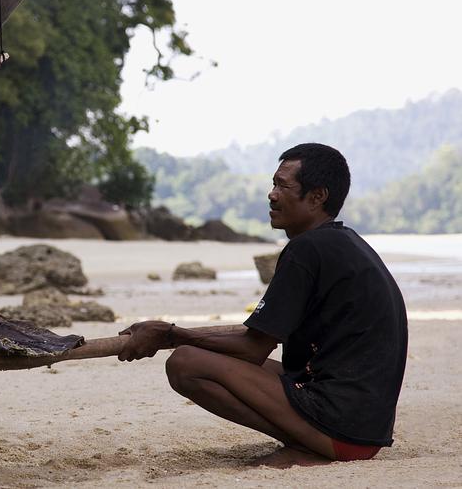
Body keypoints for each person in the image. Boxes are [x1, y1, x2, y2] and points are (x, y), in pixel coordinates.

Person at [118, 143, 408, 467]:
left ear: (317, 196)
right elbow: (260, 337)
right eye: (273, 184)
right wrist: (171, 333)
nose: (271, 195)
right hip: (365, 426)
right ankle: (309, 440)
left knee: (186, 363)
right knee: (202, 354)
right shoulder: (343, 242)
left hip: (343, 431)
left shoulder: (307, 250)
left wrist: (170, 335)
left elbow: (251, 349)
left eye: (283, 186)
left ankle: (307, 445)